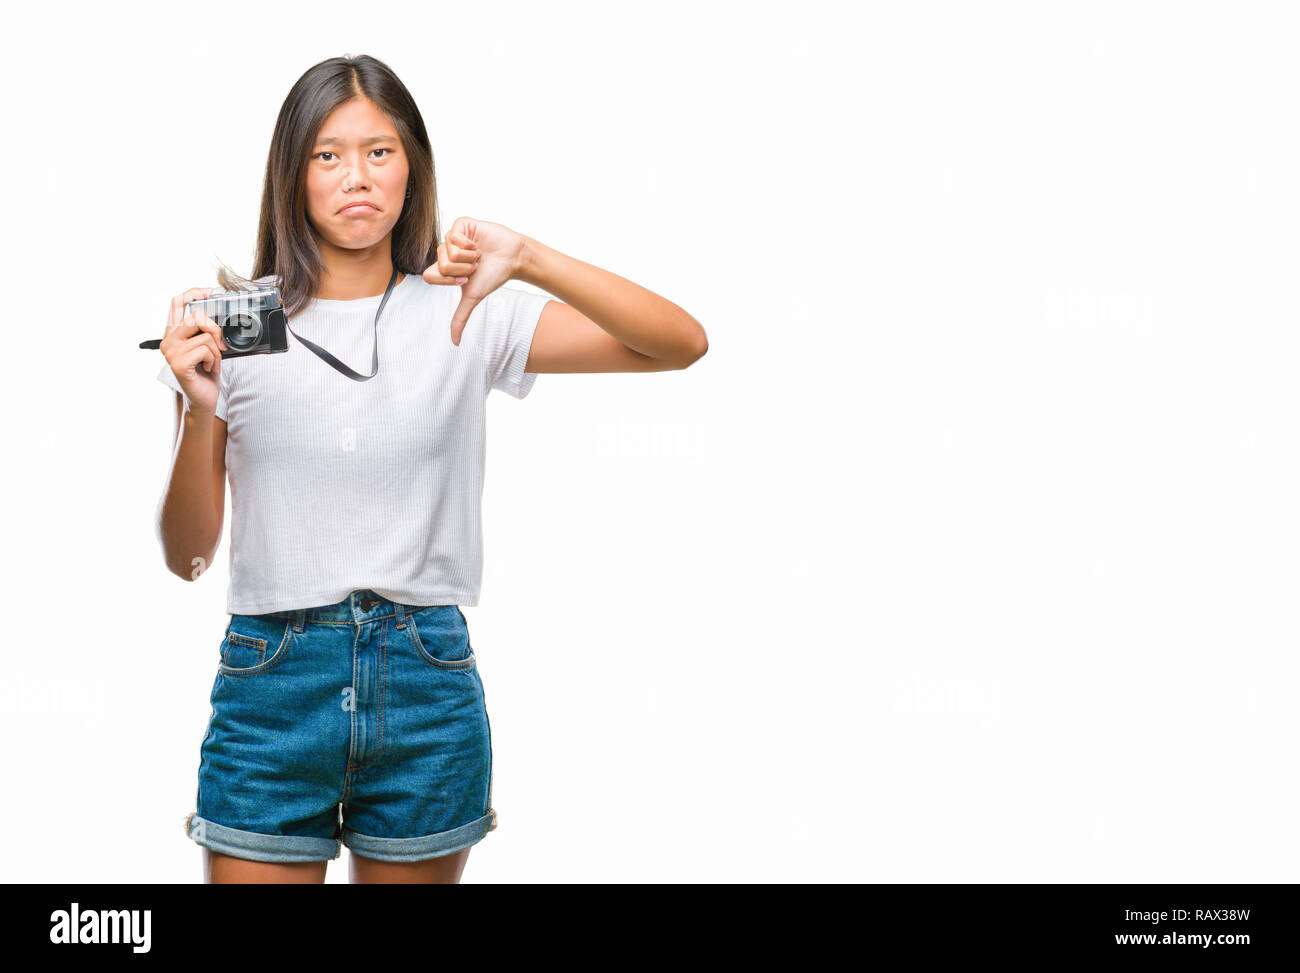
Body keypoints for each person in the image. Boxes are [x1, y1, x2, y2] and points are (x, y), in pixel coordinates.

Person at [155, 54, 707, 885]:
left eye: (380, 151)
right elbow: (187, 554)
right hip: (271, 683)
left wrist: (529, 258)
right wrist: (199, 404)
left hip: (423, 677)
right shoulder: (238, 327)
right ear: (292, 172)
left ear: (412, 167)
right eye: (328, 154)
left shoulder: (466, 307)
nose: (357, 178)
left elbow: (678, 343)